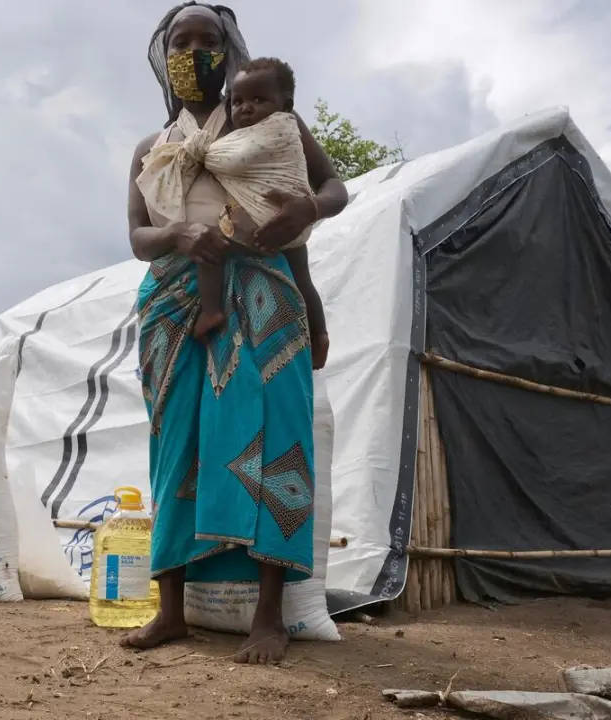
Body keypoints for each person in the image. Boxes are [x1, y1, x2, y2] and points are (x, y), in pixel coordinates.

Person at [123, 2, 348, 665]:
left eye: (210, 40)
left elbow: (328, 187)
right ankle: (171, 611)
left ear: (232, 49)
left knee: (277, 434)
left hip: (262, 287)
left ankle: (270, 615)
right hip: (173, 295)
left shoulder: (269, 120)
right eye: (181, 42)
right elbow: (138, 237)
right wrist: (177, 234)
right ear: (164, 57)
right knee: (175, 442)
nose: (195, 52)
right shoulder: (152, 149)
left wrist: (310, 283)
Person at [186, 57, 329, 373]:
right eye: (236, 102)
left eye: (257, 100)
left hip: (272, 218)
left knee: (210, 246)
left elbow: (227, 159)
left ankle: (211, 310)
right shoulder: (269, 127)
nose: (245, 109)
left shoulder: (278, 128)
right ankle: (319, 335)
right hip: (285, 223)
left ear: (286, 105)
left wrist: (200, 152)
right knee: (302, 278)